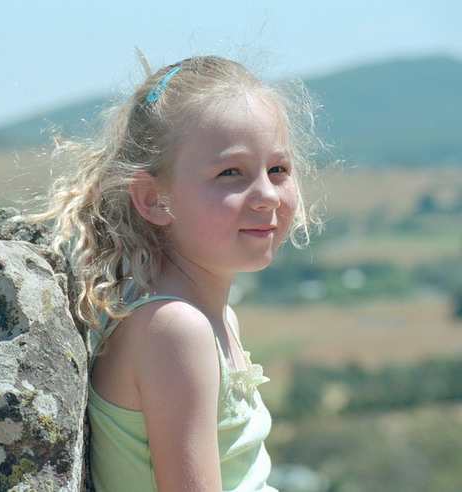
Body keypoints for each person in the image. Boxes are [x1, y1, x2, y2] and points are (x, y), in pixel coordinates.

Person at [31, 55, 321, 491]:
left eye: (278, 169)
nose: (266, 195)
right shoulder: (175, 329)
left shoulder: (203, 315)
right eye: (230, 173)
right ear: (153, 199)